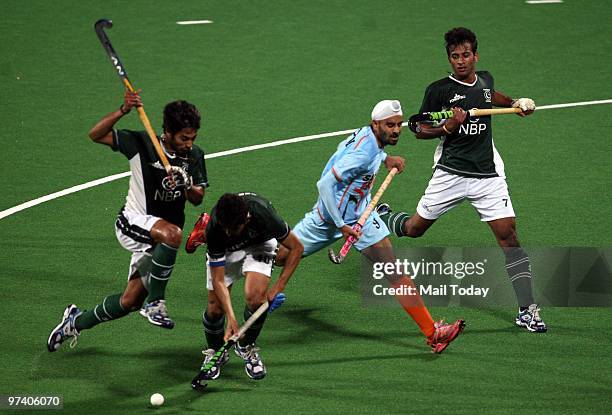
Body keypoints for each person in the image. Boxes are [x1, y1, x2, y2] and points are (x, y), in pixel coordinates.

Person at [377, 27, 547, 333]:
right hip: (451, 173)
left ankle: (527, 309)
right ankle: (386, 217)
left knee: (509, 238)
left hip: (487, 175)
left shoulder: (485, 80)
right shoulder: (439, 90)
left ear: (475, 56)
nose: (460, 61)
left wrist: (515, 103)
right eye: (454, 56)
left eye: (465, 54)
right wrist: (449, 127)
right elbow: (417, 128)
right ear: (449, 59)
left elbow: (489, 96)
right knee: (414, 229)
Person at [276, 100, 465, 354]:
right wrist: (341, 225)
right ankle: (216, 239)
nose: (397, 130)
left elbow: (352, 149)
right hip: (328, 219)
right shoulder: (364, 152)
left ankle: (433, 333)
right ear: (376, 123)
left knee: (393, 270)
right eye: (390, 125)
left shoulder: (370, 138)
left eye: (399, 124)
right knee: (279, 257)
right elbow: (324, 185)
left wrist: (386, 158)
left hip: (362, 215)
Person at [47, 90, 208, 352]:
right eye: (184, 138)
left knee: (129, 302)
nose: (189, 143)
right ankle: (156, 303)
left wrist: (186, 183)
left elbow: (198, 197)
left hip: (158, 239)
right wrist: (122, 111)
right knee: (174, 234)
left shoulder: (194, 156)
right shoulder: (141, 144)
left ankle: (74, 322)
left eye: (193, 138)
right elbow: (96, 134)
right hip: (134, 222)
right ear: (167, 132)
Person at [190, 192, 304, 380]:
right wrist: (231, 319)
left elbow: (297, 247)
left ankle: (246, 346)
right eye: (225, 227)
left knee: (256, 298)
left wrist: (278, 287)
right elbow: (219, 281)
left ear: (247, 219)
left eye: (232, 228)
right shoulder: (217, 227)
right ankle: (216, 351)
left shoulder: (263, 214)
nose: (228, 232)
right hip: (226, 250)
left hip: (259, 244)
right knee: (214, 309)